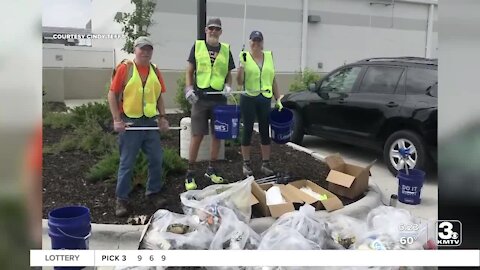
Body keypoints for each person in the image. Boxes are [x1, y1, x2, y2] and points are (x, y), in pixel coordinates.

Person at [108, 36, 170, 217]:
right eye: (142, 49)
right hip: (131, 122)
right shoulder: (125, 69)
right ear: (135, 49)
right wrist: (116, 119)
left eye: (149, 49)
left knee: (156, 159)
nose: (145, 52)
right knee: (127, 162)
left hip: (150, 123)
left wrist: (163, 117)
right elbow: (112, 94)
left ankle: (154, 192)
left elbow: (158, 96)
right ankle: (122, 199)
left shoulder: (155, 70)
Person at [184, 18, 236, 190]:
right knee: (197, 135)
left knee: (217, 135)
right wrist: (189, 88)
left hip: (219, 99)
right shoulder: (198, 47)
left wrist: (229, 86)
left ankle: (212, 169)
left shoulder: (226, 50)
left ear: (221, 32)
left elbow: (228, 73)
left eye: (217, 29)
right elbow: (190, 70)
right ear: (206, 30)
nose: (214, 31)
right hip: (200, 98)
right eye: (211, 28)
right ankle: (190, 172)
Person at [237, 30, 283, 177]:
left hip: (265, 97)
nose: (256, 44)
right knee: (248, 129)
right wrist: (241, 67)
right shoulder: (244, 56)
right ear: (250, 42)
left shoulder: (269, 56)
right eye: (253, 41)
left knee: (265, 129)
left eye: (259, 41)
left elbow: (273, 79)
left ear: (262, 42)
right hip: (249, 97)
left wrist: (278, 99)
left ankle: (266, 163)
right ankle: (246, 163)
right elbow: (239, 82)